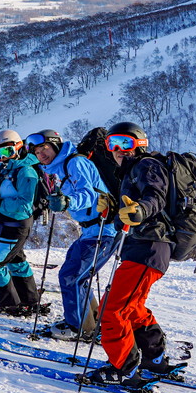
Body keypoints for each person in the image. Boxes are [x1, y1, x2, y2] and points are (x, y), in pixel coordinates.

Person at [86, 121, 185, 388]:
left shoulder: (146, 166)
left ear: (140, 144)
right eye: (113, 144)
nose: (119, 150)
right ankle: (154, 360)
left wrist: (140, 210)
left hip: (148, 248)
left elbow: (155, 197)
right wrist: (115, 209)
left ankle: (123, 368)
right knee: (132, 308)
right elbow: (132, 211)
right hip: (147, 249)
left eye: (125, 143)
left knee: (112, 310)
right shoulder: (129, 173)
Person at [29, 128, 118, 341]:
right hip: (92, 229)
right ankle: (91, 322)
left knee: (72, 275)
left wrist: (68, 202)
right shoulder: (61, 168)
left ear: (55, 145)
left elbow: (88, 194)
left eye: (44, 148)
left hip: (103, 229)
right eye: (37, 152)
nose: (41, 154)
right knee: (77, 273)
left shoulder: (75, 163)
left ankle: (79, 327)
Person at [0, 129, 44, 314]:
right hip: (3, 224)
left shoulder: (26, 172)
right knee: (16, 261)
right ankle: (29, 300)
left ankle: (8, 303)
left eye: (7, 151)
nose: (3, 157)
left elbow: (24, 205)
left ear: (18, 147)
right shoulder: (6, 167)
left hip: (15, 226)